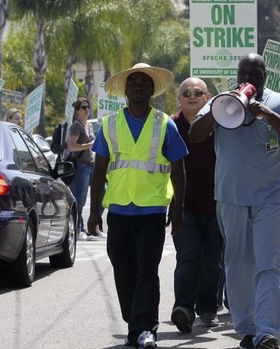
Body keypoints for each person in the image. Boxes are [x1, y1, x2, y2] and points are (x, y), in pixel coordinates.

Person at [188, 53, 280, 349]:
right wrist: (219, 110)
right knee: (238, 266)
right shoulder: (221, 101)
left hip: (271, 198)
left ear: (265, 76)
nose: (249, 80)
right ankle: (249, 330)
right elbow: (194, 135)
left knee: (270, 264)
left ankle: (269, 331)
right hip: (231, 198)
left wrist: (267, 114)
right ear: (237, 76)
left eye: (255, 74)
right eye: (244, 74)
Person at [87, 63, 188, 349]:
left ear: (152, 89)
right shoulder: (109, 124)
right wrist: (95, 211)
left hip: (152, 212)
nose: (140, 86)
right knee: (123, 269)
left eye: (145, 82)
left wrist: (177, 209)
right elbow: (99, 171)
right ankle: (135, 320)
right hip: (119, 211)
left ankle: (145, 328)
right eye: (134, 82)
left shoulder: (164, 123)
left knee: (147, 271)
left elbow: (179, 169)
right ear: (126, 90)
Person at [168, 77, 224, 333]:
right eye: (186, 92)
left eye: (197, 92)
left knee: (212, 261)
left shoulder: (221, 124)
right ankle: (183, 308)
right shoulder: (170, 125)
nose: (192, 96)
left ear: (207, 96)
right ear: (179, 98)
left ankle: (208, 307)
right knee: (188, 257)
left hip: (218, 205)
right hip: (183, 206)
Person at [68, 98, 97, 240]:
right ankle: (79, 229)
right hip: (81, 166)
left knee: (102, 193)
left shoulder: (89, 126)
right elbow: (72, 146)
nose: (87, 110)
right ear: (77, 111)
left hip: (92, 164)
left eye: (88, 107)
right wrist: (89, 145)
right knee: (80, 199)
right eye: (84, 107)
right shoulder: (76, 126)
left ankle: (92, 226)